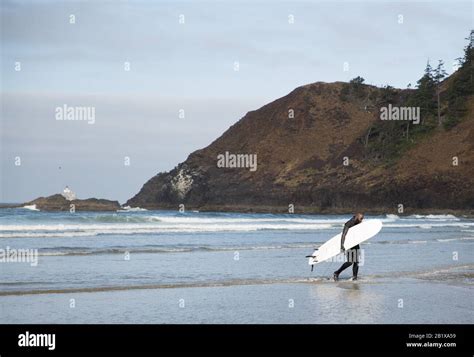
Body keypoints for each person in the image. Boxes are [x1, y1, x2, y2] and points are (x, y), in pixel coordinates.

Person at [333, 213, 364, 281]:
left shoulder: (357, 223)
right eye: (361, 219)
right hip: (349, 244)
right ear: (357, 217)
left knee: (357, 261)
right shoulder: (349, 223)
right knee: (350, 262)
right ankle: (337, 272)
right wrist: (342, 245)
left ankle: (354, 277)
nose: (362, 221)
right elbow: (343, 235)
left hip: (355, 243)